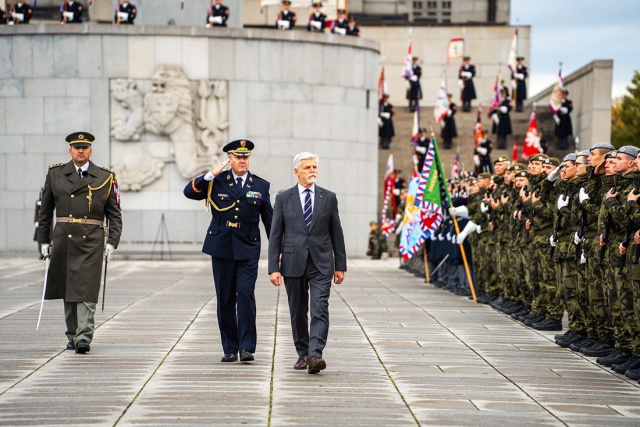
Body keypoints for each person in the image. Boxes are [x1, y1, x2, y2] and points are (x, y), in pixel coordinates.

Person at [183, 139, 272, 363]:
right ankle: (230, 348)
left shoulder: (260, 185)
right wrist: (210, 175)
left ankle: (247, 347)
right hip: (222, 247)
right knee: (225, 299)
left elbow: (269, 220)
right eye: (238, 157)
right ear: (229, 159)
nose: (242, 161)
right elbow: (189, 192)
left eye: (245, 157)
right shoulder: (216, 181)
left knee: (245, 295)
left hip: (248, 247)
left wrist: (278, 249)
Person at [37, 132, 123, 354]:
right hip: (64, 238)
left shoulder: (105, 177)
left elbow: (114, 215)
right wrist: (44, 241)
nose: (81, 150)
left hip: (91, 240)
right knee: (68, 288)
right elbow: (45, 212)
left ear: (91, 150)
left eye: (84, 147)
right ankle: (72, 333)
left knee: (85, 288)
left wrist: (112, 241)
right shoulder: (55, 174)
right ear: (70, 150)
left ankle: (84, 336)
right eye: (76, 147)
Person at [268, 152, 346, 374]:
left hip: (321, 262)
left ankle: (315, 354)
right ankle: (302, 353)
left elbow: (336, 232)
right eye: (307, 168)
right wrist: (273, 267)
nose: (312, 171)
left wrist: (340, 265)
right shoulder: (284, 199)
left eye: (314, 167)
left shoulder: (328, 198)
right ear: (296, 172)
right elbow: (276, 235)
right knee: (298, 310)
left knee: (320, 307)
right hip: (293, 262)